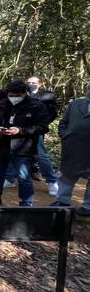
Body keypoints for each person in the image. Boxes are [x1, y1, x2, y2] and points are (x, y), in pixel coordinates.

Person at [0, 81, 50, 206]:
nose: (13, 97)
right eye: (11, 94)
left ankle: (26, 203)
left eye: (16, 94)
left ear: (24, 93)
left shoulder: (35, 106)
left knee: (23, 176)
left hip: (22, 147)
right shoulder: (1, 105)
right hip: (0, 144)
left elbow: (43, 127)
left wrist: (21, 130)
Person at [51, 81, 90, 216]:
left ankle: (88, 207)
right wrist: (65, 136)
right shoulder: (76, 104)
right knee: (67, 176)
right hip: (73, 148)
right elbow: (63, 122)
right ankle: (62, 201)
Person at [26, 76, 60, 195]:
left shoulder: (48, 96)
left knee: (41, 155)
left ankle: (51, 181)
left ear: (40, 84)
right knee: (15, 152)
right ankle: (10, 178)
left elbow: (53, 113)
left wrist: (42, 124)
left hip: (37, 130)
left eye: (33, 82)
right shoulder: (22, 93)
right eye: (29, 82)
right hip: (21, 129)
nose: (30, 84)